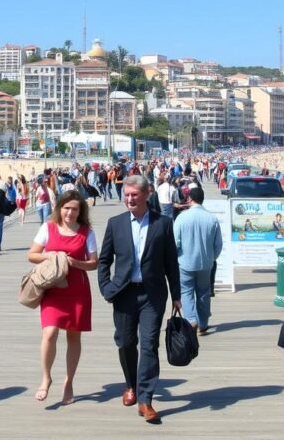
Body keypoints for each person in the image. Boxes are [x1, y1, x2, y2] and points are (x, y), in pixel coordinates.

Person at [97, 175, 181, 424]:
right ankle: (131, 384)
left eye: (134, 195)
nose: (130, 199)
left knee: (149, 345)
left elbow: (171, 263)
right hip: (123, 293)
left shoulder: (163, 224)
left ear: (146, 194)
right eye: (127, 195)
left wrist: (176, 294)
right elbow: (104, 260)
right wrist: (105, 287)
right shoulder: (115, 223)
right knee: (124, 342)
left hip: (152, 294)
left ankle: (145, 399)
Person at [27, 191, 98, 404]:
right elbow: (32, 255)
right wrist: (49, 255)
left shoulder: (87, 232)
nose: (70, 212)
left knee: (74, 336)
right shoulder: (48, 228)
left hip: (77, 289)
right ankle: (46, 377)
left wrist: (74, 262)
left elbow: (94, 263)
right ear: (59, 209)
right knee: (49, 332)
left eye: (74, 209)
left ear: (80, 211)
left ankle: (69, 381)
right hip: (53, 287)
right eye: (66, 208)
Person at [172, 185, 222, 335]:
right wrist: (212, 257)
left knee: (186, 291)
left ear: (190, 199)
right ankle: (203, 323)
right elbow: (218, 244)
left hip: (185, 262)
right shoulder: (212, 218)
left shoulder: (182, 217)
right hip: (206, 263)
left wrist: (176, 258)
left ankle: (191, 320)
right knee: (204, 292)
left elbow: (175, 242)